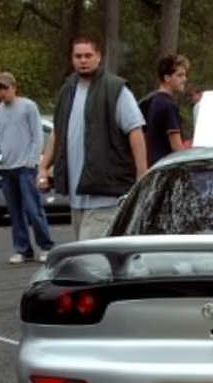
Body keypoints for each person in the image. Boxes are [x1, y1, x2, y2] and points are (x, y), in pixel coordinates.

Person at [38, 37, 148, 241]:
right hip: (77, 199)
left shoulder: (115, 89)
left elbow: (135, 130)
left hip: (107, 198)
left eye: (88, 55)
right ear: (72, 59)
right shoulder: (67, 91)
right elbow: (57, 132)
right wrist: (43, 167)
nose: (83, 60)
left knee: (91, 256)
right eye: (78, 56)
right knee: (88, 253)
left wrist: (142, 176)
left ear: (98, 57)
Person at [0, 72, 54, 264]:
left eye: (5, 88)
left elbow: (37, 135)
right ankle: (23, 249)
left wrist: (32, 161)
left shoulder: (28, 107)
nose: (2, 92)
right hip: (7, 169)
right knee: (15, 212)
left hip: (26, 168)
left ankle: (46, 246)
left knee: (33, 209)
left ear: (14, 87)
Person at [143, 54, 190, 167]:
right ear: (167, 78)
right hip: (167, 168)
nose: (185, 79)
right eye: (179, 75)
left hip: (154, 167)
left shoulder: (154, 101)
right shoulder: (168, 105)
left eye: (185, 75)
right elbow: (177, 148)